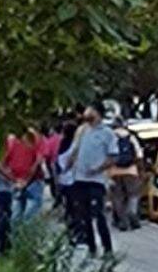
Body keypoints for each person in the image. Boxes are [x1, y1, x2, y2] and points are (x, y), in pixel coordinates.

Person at [60, 104, 117, 256]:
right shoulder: (82, 130)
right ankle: (91, 247)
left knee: (98, 214)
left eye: (90, 110)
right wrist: (67, 166)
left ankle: (107, 248)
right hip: (79, 179)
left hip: (96, 180)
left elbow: (112, 157)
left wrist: (98, 168)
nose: (86, 113)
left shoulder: (107, 133)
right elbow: (74, 150)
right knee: (82, 215)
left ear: (97, 113)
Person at [108, 119, 143, 230]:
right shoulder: (131, 138)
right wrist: (140, 169)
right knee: (133, 195)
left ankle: (123, 221)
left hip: (114, 172)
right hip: (131, 171)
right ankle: (132, 214)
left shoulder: (110, 138)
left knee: (118, 197)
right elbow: (139, 155)